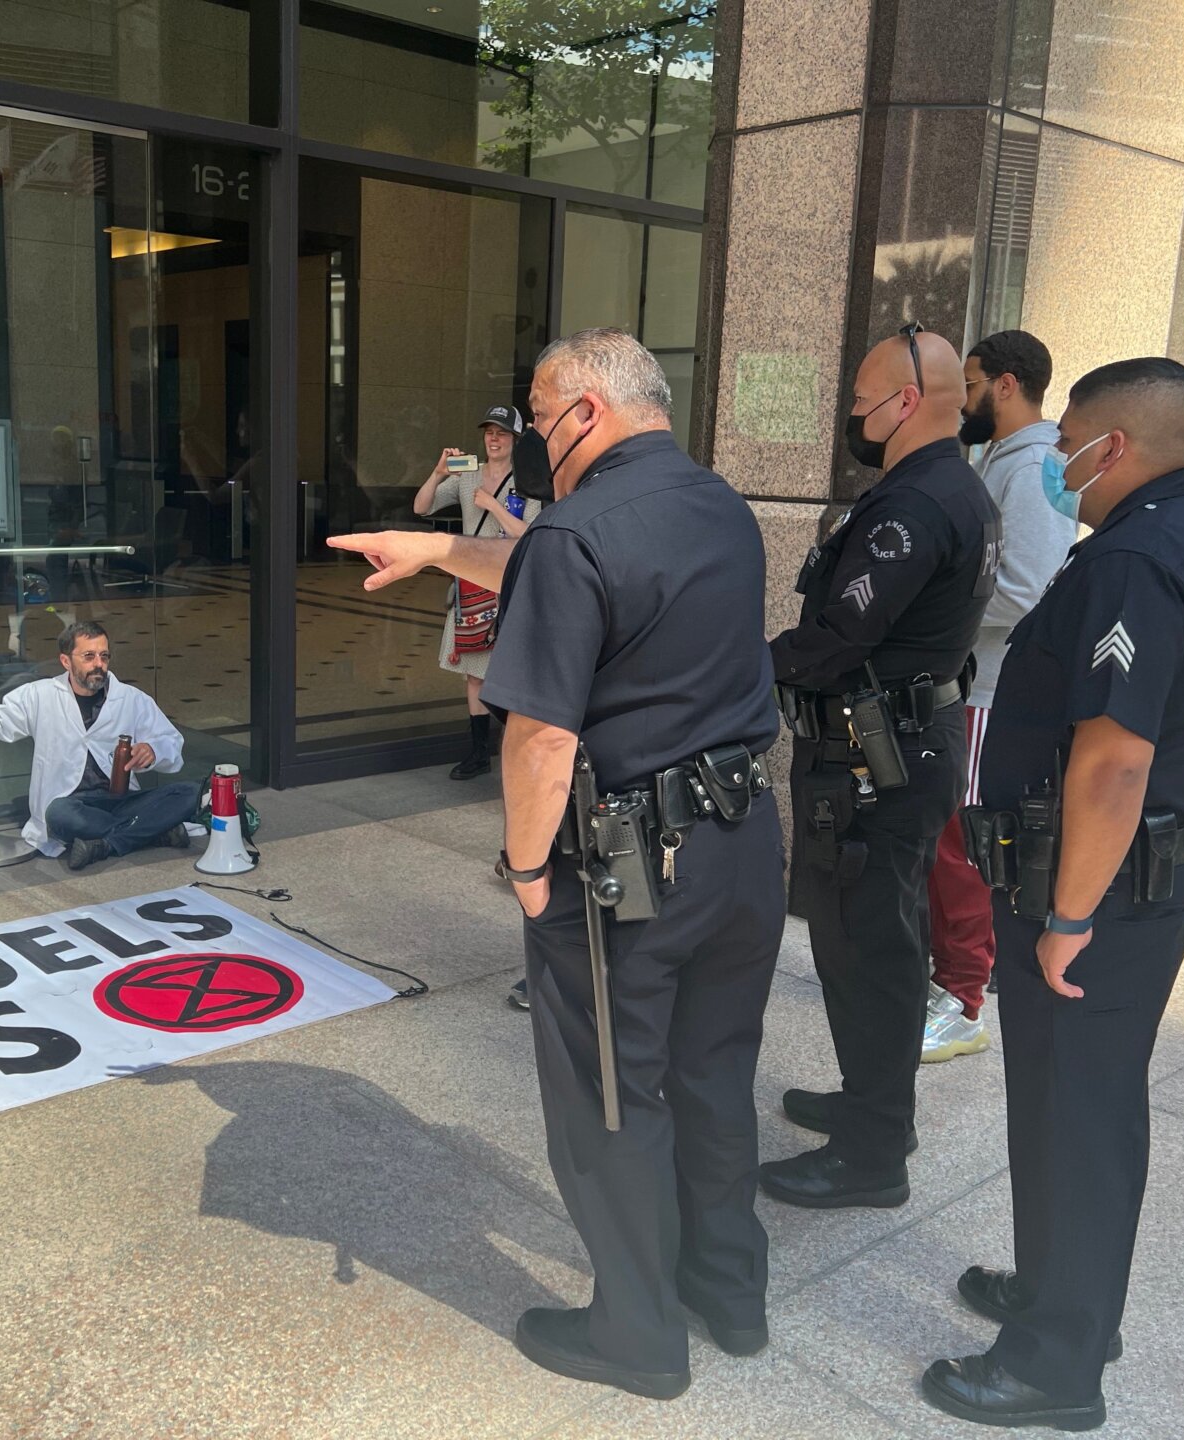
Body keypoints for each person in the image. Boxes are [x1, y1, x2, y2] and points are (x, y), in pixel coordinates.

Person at [330, 329, 787, 1403]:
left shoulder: (582, 530)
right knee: (714, 1075)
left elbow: (539, 737)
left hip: (630, 869)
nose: (532, 436)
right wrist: (441, 547)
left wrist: (527, 872)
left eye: (538, 416)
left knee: (609, 1100)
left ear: (585, 411)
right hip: (740, 846)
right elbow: (563, 570)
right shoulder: (716, 502)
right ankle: (729, 1292)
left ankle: (636, 1334)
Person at [922, 358, 1184, 1431]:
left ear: (1114, 447)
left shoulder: (1139, 559)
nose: (1060, 459)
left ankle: (1057, 1365)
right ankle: (1054, 1289)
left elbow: (1114, 762)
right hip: (1103, 883)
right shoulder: (1177, 535)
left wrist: (1068, 919)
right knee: (1060, 1107)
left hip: (1101, 898)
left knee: (1083, 1117)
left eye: (1069, 439)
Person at [761, 324, 999, 1210]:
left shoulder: (911, 508)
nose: (852, 418)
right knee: (873, 941)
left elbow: (837, 638)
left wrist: (734, 668)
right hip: (900, 747)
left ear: (905, 403)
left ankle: (870, 1156)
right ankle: (874, 1109)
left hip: (875, 761)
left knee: (868, 951)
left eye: (861, 403)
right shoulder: (949, 490)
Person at [924, 330, 1078, 1063]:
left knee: (962, 842)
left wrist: (936, 606)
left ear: (1008, 385)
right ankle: (949, 982)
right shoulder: (1004, 461)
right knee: (948, 837)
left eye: (974, 381)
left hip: (990, 686)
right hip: (970, 681)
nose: (965, 399)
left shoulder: (1038, 467)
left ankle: (962, 1001)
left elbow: (1027, 589)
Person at [0, 620, 198, 871]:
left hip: (120, 800)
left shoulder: (131, 699)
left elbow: (172, 743)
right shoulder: (41, 694)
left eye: (104, 656)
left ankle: (108, 843)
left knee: (190, 792)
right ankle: (151, 831)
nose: (98, 664)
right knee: (58, 814)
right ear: (66, 661)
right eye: (88, 656)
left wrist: (154, 751)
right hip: (72, 805)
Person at [411, 404, 538, 782]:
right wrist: (437, 473)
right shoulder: (469, 475)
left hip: (510, 583)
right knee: (474, 674)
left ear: (515, 438)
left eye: (501, 433)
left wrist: (493, 506)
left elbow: (528, 533)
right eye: (488, 432)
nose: (494, 439)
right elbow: (421, 506)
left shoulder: (528, 478)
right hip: (472, 584)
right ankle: (479, 753)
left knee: (514, 672)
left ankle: (517, 754)